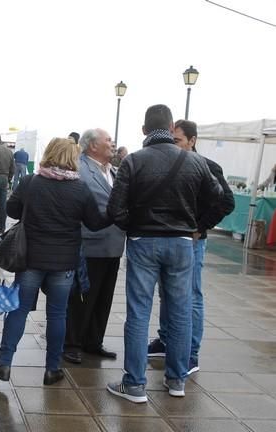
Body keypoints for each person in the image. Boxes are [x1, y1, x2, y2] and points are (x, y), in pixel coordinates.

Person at [106, 104, 223, 403]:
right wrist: (198, 226)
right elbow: (218, 197)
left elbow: (114, 209)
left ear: (144, 130)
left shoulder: (133, 161)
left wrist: (134, 227)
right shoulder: (195, 162)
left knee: (138, 313)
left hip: (144, 241)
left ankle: (134, 384)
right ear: (171, 128)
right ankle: (176, 380)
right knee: (181, 313)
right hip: (183, 243)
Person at [0, 138, 110, 386]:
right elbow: (95, 223)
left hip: (30, 259)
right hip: (64, 264)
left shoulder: (31, 182)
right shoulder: (81, 189)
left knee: (18, 310)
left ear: (49, 154)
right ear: (72, 158)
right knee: (58, 314)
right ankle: (52, 368)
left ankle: (4, 364)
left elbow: (12, 210)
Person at [147, 119, 235, 375]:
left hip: (192, 242)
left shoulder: (206, 166)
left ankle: (190, 354)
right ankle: (165, 340)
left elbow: (226, 201)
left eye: (177, 141)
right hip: (171, 239)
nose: (173, 146)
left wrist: (200, 227)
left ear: (192, 141)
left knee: (191, 297)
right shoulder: (168, 163)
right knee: (166, 292)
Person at [64, 129, 125, 364]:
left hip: (114, 244)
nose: (112, 144)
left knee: (104, 298)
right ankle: (72, 343)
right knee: (82, 297)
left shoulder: (114, 171)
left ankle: (93, 341)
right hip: (89, 244)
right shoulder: (80, 169)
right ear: (92, 146)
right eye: (108, 140)